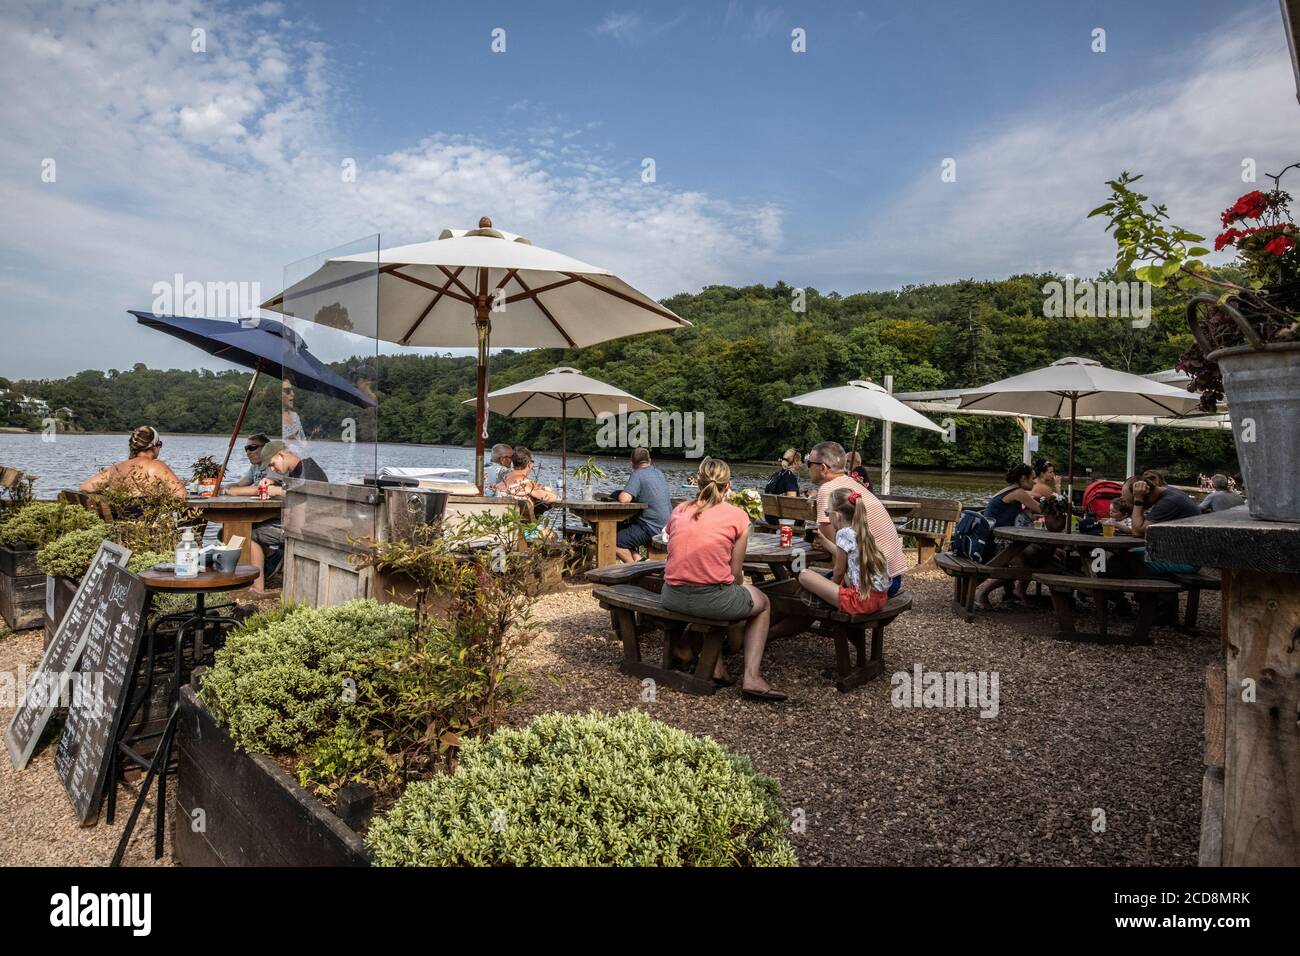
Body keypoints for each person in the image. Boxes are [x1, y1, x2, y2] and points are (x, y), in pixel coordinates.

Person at [661, 458, 780, 701]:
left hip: (672, 595)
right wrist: (739, 588)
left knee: (712, 594)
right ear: (729, 486)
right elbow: (735, 572)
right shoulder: (738, 516)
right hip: (710, 599)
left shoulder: (679, 510)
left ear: (698, 482)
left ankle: (715, 663)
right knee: (763, 602)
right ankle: (752, 677)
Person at [808, 441, 906, 596]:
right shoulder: (852, 483)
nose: (807, 468)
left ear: (823, 468)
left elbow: (837, 553)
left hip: (870, 585)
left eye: (809, 463)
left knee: (804, 587)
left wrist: (822, 542)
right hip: (892, 578)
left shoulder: (828, 490)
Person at [791, 487, 892, 616]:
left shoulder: (843, 533)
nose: (827, 516)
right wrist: (823, 539)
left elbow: (838, 571)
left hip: (859, 601)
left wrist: (829, 589)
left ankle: (823, 601)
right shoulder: (861, 530)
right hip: (878, 599)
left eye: (828, 513)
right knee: (838, 575)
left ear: (837, 515)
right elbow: (844, 556)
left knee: (804, 575)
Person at [248, 440, 329, 592]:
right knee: (257, 526)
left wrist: (277, 491)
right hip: (308, 523)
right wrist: (273, 481)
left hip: (306, 528)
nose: (273, 469)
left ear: (281, 454)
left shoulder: (305, 471)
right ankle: (273, 559)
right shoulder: (303, 466)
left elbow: (308, 494)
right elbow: (300, 489)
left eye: (272, 464)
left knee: (251, 534)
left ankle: (257, 587)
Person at [973, 464, 1044, 609]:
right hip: (995, 543)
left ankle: (1015, 593)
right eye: (1032, 478)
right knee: (1032, 560)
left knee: (1038, 555)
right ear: (1023, 478)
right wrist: (1058, 502)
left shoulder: (1009, 491)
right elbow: (1042, 509)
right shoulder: (1019, 493)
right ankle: (983, 593)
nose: (1035, 482)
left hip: (989, 539)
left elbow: (1028, 512)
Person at [80, 425, 187, 499]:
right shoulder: (157, 466)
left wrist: (108, 496)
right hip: (147, 527)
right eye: (160, 445)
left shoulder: (116, 468)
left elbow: (85, 488)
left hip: (118, 525)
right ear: (154, 446)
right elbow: (181, 494)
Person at [615, 448, 672, 563]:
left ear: (631, 463)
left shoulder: (638, 474)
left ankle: (633, 570)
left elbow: (624, 499)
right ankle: (639, 560)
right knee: (623, 530)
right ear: (650, 461)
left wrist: (618, 494)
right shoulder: (658, 472)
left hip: (651, 527)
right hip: (667, 526)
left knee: (611, 540)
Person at [492, 447, 557, 513]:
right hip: (520, 521)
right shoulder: (524, 483)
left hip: (501, 518)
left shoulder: (504, 480)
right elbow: (550, 498)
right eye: (532, 461)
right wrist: (549, 491)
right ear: (529, 464)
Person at [761, 449, 802, 524]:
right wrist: (809, 497)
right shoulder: (790, 478)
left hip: (769, 517)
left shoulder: (775, 475)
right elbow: (791, 502)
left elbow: (777, 490)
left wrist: (798, 490)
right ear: (795, 461)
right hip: (784, 519)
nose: (801, 463)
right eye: (800, 460)